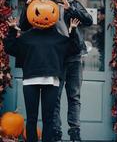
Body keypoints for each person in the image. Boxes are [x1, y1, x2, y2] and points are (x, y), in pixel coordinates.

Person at [19, 0, 93, 142]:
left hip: (75, 55)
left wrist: (70, 9)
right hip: (57, 57)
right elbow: (25, 25)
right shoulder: (45, 4)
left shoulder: (74, 3)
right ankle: (56, 133)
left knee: (74, 96)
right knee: (55, 97)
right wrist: (27, 6)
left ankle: (74, 132)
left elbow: (88, 21)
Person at [3, 13, 82, 142]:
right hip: (30, 81)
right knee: (32, 118)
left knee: (48, 119)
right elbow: (10, 48)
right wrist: (12, 30)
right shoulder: (26, 37)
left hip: (51, 82)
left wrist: (72, 30)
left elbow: (75, 48)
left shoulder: (59, 38)